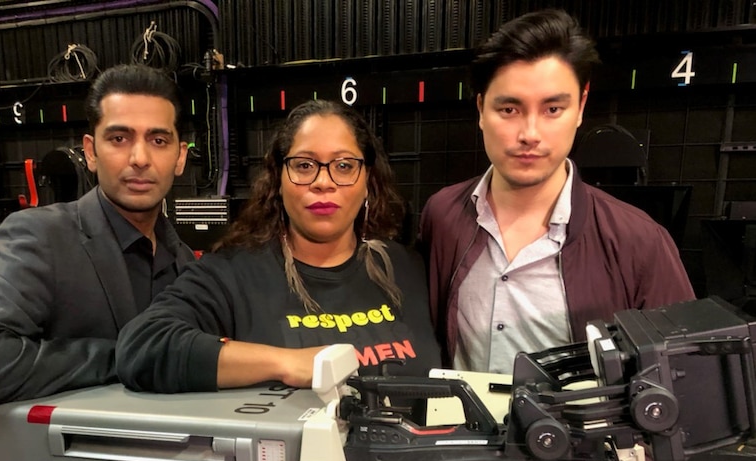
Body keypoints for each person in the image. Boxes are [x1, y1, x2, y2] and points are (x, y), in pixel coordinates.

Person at [418, 9, 695, 374]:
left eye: (552, 108)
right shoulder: (442, 216)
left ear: (580, 106)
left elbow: (685, 372)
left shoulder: (639, 241)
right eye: (509, 108)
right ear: (481, 110)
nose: (529, 133)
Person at [115, 99, 441, 393]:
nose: (323, 182)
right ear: (278, 180)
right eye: (304, 165)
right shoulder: (232, 274)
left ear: (368, 180)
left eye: (344, 165)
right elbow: (142, 348)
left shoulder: (408, 269)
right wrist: (287, 363)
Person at [0, 64, 195, 407]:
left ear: (179, 157)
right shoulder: (40, 238)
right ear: (91, 152)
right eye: (119, 139)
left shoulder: (182, 261)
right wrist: (130, 357)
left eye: (158, 140)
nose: (139, 158)